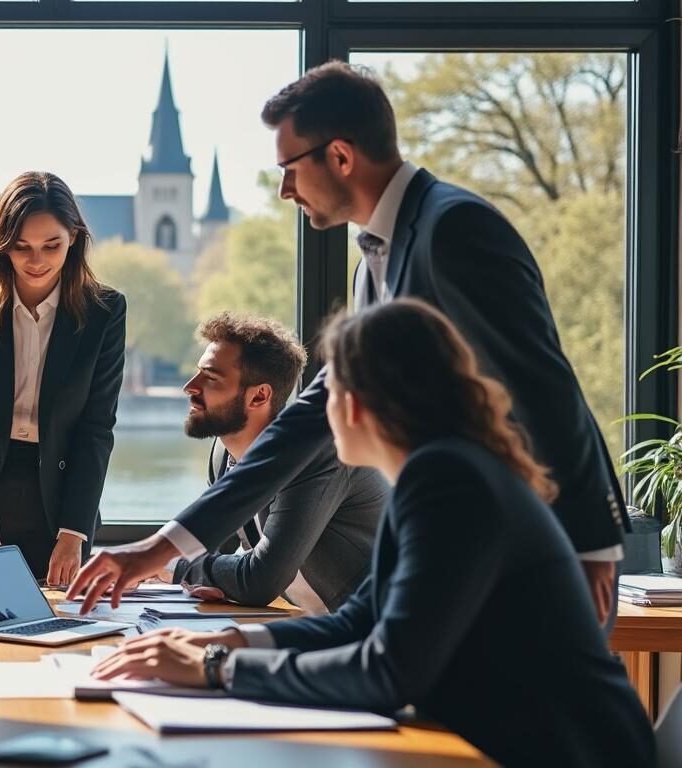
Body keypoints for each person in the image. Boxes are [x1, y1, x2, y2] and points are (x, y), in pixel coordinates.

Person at [69, 61, 627, 625]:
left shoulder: (455, 230)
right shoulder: (371, 267)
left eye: (289, 167)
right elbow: (309, 417)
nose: (284, 189)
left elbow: (547, 387)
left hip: (532, 549)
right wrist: (163, 547)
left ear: (340, 156)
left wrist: (593, 545)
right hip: (451, 551)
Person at [92, 300, 655, 768]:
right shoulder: (434, 477)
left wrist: (214, 669)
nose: (313, 416)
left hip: (562, 752)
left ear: (356, 403)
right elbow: (355, 622)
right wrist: (225, 643)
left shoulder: (450, 483)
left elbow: (385, 671)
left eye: (322, 396)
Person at [0, 171, 126, 584]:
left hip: (61, 511)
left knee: (60, 639)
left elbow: (96, 428)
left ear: (74, 237)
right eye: (22, 248)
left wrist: (75, 532)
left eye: (51, 245)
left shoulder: (105, 312)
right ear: (3, 246)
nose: (37, 261)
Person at [169, 313, 385, 613]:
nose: (190, 387)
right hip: (315, 625)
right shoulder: (222, 453)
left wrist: (171, 566)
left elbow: (259, 579)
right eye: (197, 373)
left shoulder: (316, 454)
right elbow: (215, 547)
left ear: (259, 396)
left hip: (381, 629)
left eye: (211, 377)